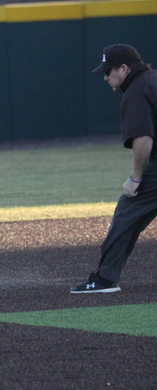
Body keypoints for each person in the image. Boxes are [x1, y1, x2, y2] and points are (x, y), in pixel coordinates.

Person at [71, 43, 157, 294]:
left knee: (127, 213)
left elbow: (143, 139)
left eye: (109, 71)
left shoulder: (137, 91)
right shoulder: (153, 79)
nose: (106, 77)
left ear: (124, 68)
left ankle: (105, 279)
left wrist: (135, 178)